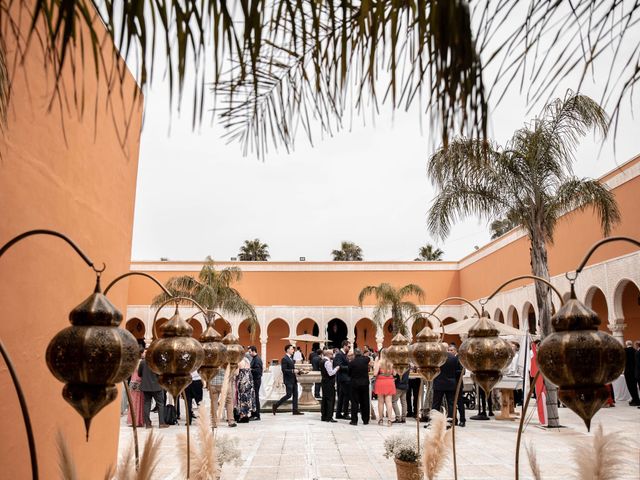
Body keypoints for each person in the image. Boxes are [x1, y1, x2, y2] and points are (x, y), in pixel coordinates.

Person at [432, 343, 462, 423]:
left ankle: (434, 422)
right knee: (451, 404)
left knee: (436, 404)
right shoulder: (453, 358)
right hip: (451, 383)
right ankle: (451, 421)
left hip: (439, 383)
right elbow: (456, 371)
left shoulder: (437, 357)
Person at [138, 350, 168, 429]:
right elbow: (162, 373)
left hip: (146, 386)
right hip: (157, 386)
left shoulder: (142, 362)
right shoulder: (157, 362)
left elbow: (139, 374)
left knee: (147, 404)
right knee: (160, 404)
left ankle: (147, 423)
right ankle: (161, 423)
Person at [273, 344, 304, 415]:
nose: (293, 350)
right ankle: (276, 405)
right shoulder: (284, 359)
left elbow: (292, 369)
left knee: (296, 395)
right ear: (287, 350)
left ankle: (295, 410)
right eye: (292, 349)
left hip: (293, 379)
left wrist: (299, 371)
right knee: (289, 395)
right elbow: (284, 370)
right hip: (288, 380)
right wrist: (293, 371)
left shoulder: (291, 358)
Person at [373, 349, 396, 426]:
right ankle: (389, 420)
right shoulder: (391, 362)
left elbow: (375, 373)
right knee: (389, 402)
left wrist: (375, 363)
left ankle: (381, 420)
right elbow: (395, 373)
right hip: (389, 381)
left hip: (381, 381)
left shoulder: (379, 362)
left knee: (380, 402)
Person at [349, 348, 371, 425]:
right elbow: (368, 358)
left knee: (354, 402)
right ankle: (365, 420)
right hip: (364, 384)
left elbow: (349, 373)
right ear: (360, 353)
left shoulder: (352, 363)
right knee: (365, 402)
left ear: (354, 354)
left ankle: (354, 420)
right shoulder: (365, 360)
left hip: (354, 384)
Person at [448, 344, 466, 427]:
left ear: (455, 351)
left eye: (451, 350)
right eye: (449, 350)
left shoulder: (459, 359)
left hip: (458, 384)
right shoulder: (449, 359)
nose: (450, 352)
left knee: (460, 403)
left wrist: (452, 372)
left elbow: (463, 371)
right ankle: (454, 419)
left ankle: (462, 420)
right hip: (451, 384)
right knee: (452, 403)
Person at [126, 347, 145, 427]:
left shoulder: (133, 362)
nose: (145, 354)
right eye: (144, 352)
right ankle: (138, 421)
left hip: (132, 382)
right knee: (139, 402)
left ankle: (132, 420)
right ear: (141, 353)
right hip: (139, 383)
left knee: (133, 402)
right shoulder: (141, 362)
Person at [334, 340, 352, 420]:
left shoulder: (343, 355)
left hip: (344, 378)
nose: (349, 348)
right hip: (343, 379)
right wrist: (350, 367)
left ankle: (338, 413)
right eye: (349, 346)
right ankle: (345, 413)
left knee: (341, 397)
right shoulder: (339, 354)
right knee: (346, 396)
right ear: (344, 346)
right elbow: (339, 366)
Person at [321, 348, 340, 422]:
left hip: (324, 381)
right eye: (332, 354)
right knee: (330, 400)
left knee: (324, 399)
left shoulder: (322, 361)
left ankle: (324, 416)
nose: (333, 355)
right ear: (328, 354)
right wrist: (336, 368)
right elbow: (331, 373)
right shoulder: (327, 362)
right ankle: (329, 417)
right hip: (329, 382)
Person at [236, 357, 256, 423]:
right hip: (249, 380)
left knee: (242, 398)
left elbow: (236, 373)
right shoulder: (246, 359)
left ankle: (243, 416)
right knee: (248, 398)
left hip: (243, 381)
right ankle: (247, 415)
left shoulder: (239, 361)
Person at [249, 345, 263, 420]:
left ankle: (257, 415)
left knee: (256, 397)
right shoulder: (254, 358)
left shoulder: (257, 359)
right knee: (254, 398)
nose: (249, 353)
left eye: (250, 352)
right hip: (255, 380)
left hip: (256, 380)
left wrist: (250, 369)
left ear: (254, 351)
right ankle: (254, 414)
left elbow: (258, 371)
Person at [624, 340, 640, 406]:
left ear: (626, 344)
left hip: (628, 371)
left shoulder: (624, 351)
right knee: (635, 386)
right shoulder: (635, 351)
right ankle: (636, 399)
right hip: (635, 371)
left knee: (630, 386)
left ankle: (635, 400)